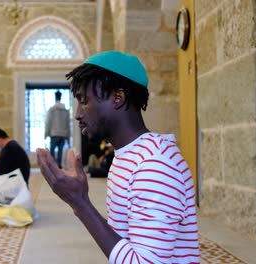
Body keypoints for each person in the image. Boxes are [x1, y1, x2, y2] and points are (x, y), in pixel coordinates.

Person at [36, 51, 199, 263]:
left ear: (118, 98)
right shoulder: (128, 156)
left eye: (84, 101)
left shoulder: (155, 164)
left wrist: (80, 203)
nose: (77, 113)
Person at [45, 91, 70, 168]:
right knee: (60, 152)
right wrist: (68, 136)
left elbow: (48, 122)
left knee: (52, 151)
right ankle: (59, 165)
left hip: (54, 133)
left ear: (55, 97)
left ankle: (53, 165)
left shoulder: (51, 110)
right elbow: (67, 124)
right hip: (63, 134)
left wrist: (46, 134)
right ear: (61, 97)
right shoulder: (65, 110)